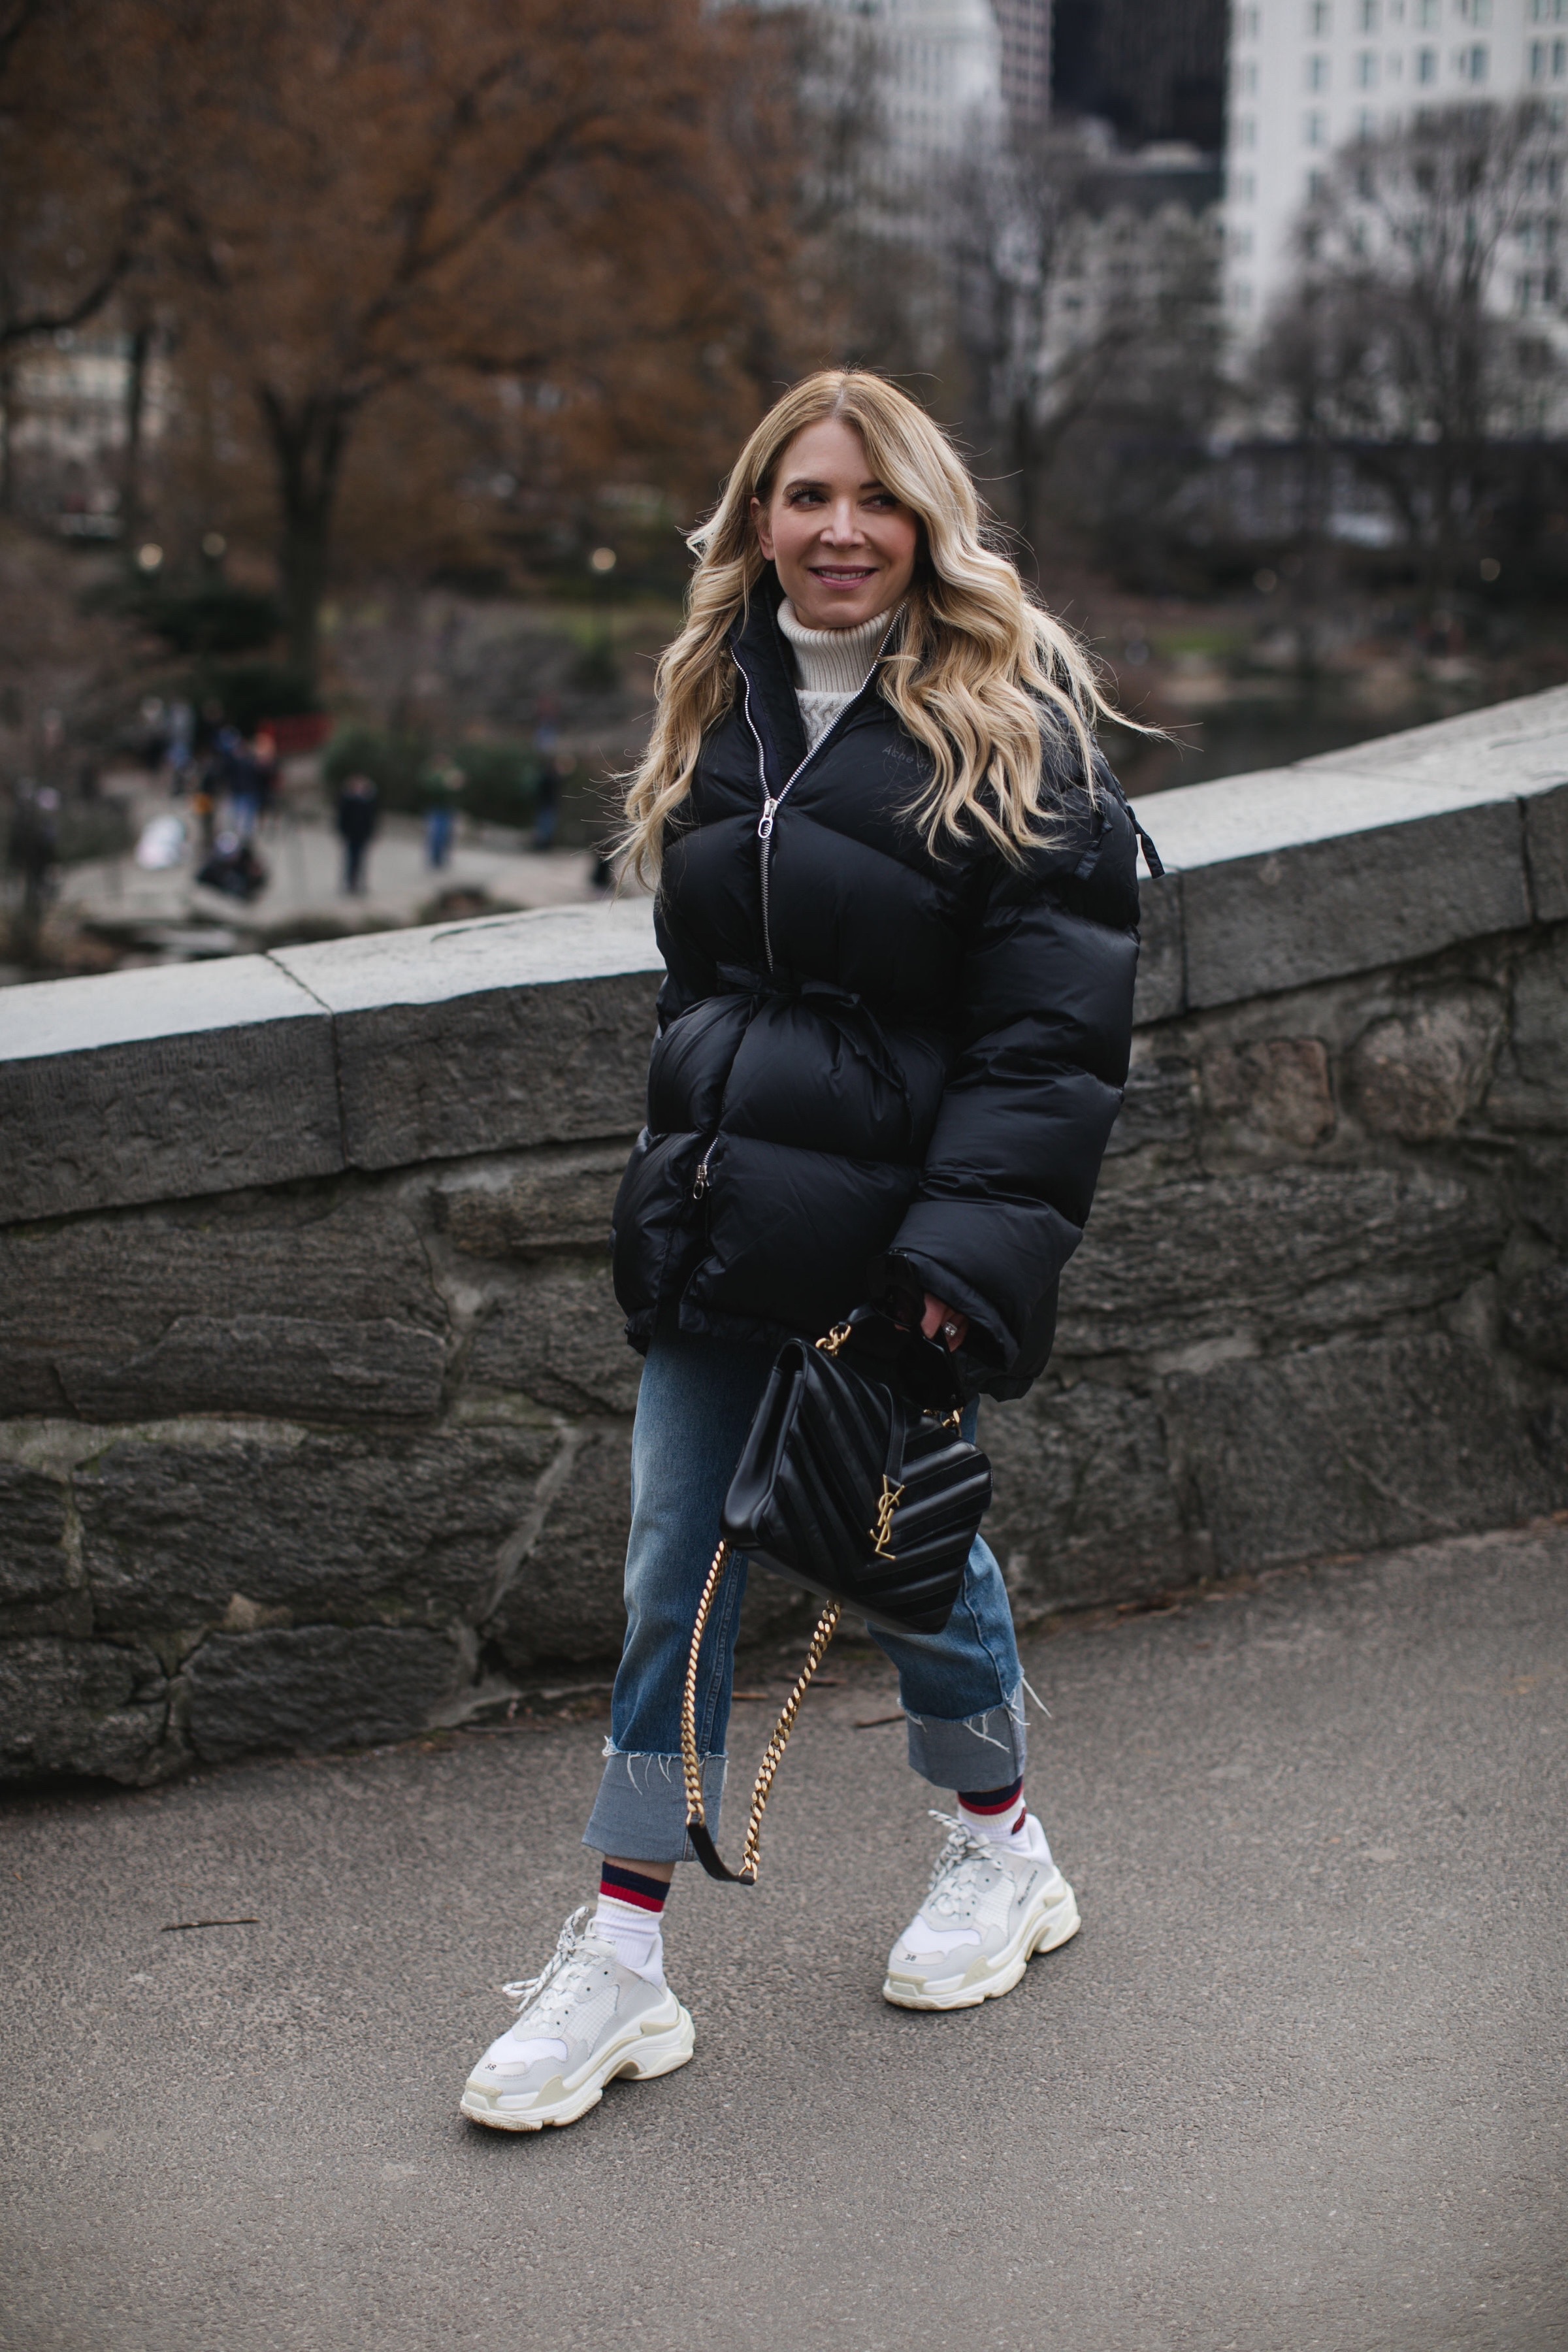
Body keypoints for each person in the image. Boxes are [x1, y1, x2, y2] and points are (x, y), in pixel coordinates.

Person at [461, 371, 1144, 2133]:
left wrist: (954, 1264)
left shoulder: (1017, 727)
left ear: (927, 524)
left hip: (897, 1236)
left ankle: (1002, 1848)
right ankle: (621, 1960)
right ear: (757, 516)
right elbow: (712, 985)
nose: (842, 531)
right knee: (672, 1571)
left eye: (878, 501)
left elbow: (1046, 1044)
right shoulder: (724, 703)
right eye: (806, 495)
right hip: (722, 1219)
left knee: (909, 1552)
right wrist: (681, 1173)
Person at [335, 772, 379, 895]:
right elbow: (342, 818)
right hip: (352, 834)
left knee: (362, 859)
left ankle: (361, 883)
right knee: (351, 859)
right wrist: (343, 831)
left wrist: (372, 832)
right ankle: (351, 883)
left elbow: (372, 818)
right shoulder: (347, 800)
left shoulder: (369, 800)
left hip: (363, 834)